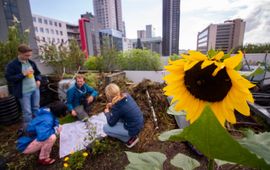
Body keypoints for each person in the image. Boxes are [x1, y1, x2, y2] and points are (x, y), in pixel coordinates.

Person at [16, 101, 67, 165]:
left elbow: (55, 120)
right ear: (58, 112)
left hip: (29, 138)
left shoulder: (48, 111)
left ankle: (41, 149)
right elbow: (43, 136)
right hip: (24, 145)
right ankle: (43, 158)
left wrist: (56, 127)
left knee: (58, 127)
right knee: (51, 137)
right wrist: (55, 130)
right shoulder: (47, 120)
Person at [5, 44, 41, 126]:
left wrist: (38, 80)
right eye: (26, 55)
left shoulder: (31, 62)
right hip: (24, 92)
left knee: (36, 108)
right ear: (20, 53)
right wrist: (23, 74)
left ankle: (37, 125)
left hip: (35, 89)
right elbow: (9, 78)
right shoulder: (12, 65)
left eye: (29, 55)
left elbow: (38, 73)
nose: (28, 57)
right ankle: (29, 129)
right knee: (27, 112)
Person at [103, 83, 144, 148]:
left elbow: (111, 123)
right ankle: (130, 134)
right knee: (118, 118)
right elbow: (123, 107)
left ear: (108, 96)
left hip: (133, 129)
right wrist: (112, 104)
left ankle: (130, 140)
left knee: (105, 128)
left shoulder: (117, 107)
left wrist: (107, 113)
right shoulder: (126, 95)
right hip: (139, 123)